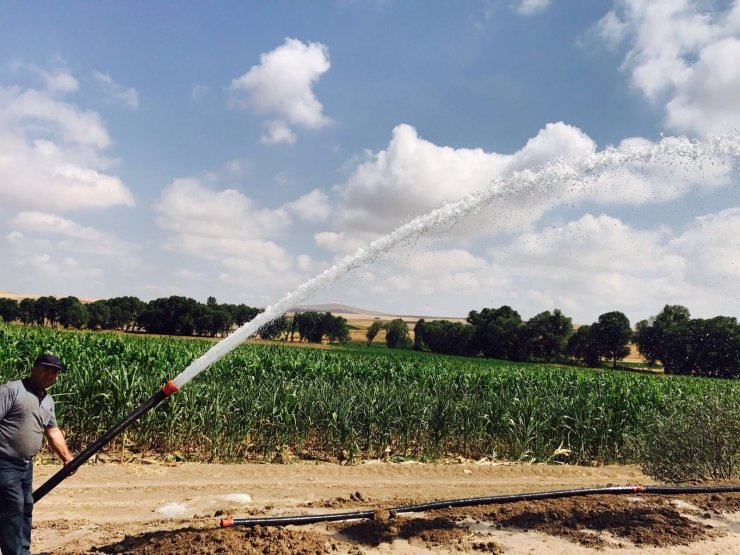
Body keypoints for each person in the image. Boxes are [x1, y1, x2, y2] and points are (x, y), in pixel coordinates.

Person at [0, 354, 73, 555]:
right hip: (4, 462)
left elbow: (53, 431)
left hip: (26, 465)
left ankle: (22, 551)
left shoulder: (48, 400)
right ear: (33, 368)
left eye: (54, 372)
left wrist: (67, 458)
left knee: (26, 507)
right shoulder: (11, 391)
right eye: (45, 369)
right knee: (13, 508)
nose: (49, 375)